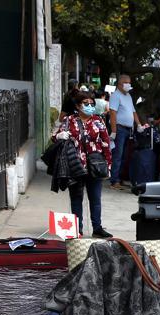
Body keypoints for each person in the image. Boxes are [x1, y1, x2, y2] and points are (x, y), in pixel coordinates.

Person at [53, 91, 113, 238]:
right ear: (78, 105)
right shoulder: (69, 121)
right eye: (86, 103)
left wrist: (108, 165)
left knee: (95, 199)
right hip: (75, 165)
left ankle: (97, 228)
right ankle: (77, 230)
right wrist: (59, 136)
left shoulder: (98, 121)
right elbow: (55, 137)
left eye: (92, 104)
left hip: (95, 165)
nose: (90, 106)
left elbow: (106, 143)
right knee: (76, 198)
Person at [108, 74, 143, 190]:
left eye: (130, 83)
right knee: (118, 155)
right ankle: (114, 180)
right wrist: (114, 131)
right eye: (127, 83)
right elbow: (112, 113)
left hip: (129, 130)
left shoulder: (128, 96)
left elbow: (133, 112)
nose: (129, 85)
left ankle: (120, 178)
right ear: (120, 84)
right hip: (120, 129)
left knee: (124, 156)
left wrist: (138, 124)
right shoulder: (115, 96)